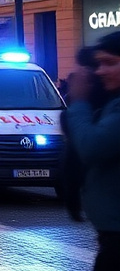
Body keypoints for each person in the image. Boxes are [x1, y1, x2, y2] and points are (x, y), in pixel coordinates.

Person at [66, 31, 120, 270]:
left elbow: (92, 146)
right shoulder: (110, 101)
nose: (100, 71)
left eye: (110, 63)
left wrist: (79, 102)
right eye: (98, 63)